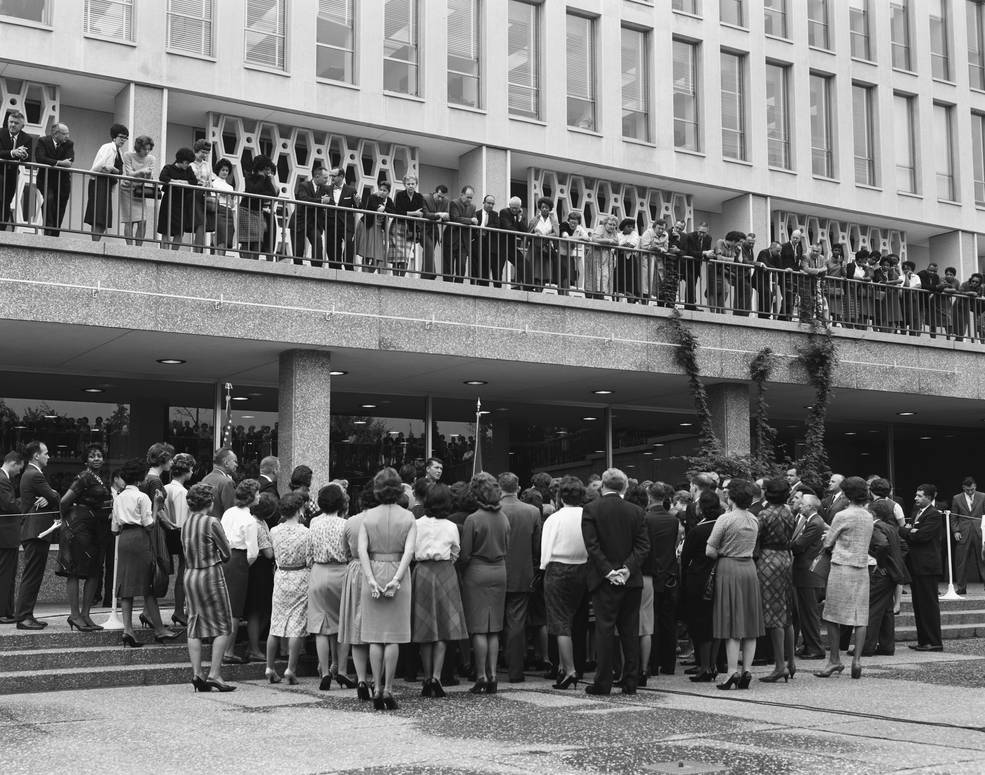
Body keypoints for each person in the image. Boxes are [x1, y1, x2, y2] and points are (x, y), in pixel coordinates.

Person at [581, 467, 650, 696]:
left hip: (604, 580)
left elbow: (592, 546)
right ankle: (631, 680)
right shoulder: (636, 511)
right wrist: (627, 569)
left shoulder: (591, 509)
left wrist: (609, 571)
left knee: (605, 629)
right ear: (625, 486)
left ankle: (603, 681)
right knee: (629, 630)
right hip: (631, 580)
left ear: (602, 484)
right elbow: (642, 546)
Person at [358, 467, 417, 710]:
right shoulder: (408, 517)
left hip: (373, 567)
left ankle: (376, 685)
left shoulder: (367, 516)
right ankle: (388, 689)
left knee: (374, 636)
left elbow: (362, 550)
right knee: (393, 636)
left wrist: (371, 578)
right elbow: (409, 551)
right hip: (397, 572)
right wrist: (397, 578)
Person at [112, 458, 178, 647]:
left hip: (124, 539)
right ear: (141, 479)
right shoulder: (143, 497)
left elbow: (114, 529)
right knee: (148, 586)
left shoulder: (118, 497)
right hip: (141, 538)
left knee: (126, 587)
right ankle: (159, 629)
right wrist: (156, 505)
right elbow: (150, 525)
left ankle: (128, 630)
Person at [705, 479, 763, 690]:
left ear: (731, 498)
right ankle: (747, 670)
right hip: (749, 569)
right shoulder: (754, 520)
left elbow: (710, 550)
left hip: (728, 568)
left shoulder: (725, 519)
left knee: (731, 623)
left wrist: (722, 551)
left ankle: (731, 673)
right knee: (750, 622)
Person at [412, 482, 468, 698]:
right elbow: (456, 551)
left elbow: (411, 549)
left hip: (423, 572)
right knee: (444, 628)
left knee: (425, 628)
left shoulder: (416, 524)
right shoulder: (451, 526)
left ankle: (427, 677)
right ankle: (436, 676)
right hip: (445, 572)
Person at [816, 476, 873, 680]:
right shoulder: (868, 516)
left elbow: (828, 542)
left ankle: (834, 659)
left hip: (841, 567)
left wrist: (826, 536)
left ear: (847, 494)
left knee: (832, 614)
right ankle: (857, 660)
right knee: (860, 615)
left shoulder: (842, 515)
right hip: (861, 567)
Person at [459, 472, 511, 695]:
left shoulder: (473, 519)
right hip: (499, 570)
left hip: (477, 572)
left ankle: (480, 675)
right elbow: (507, 546)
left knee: (479, 628)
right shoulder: (504, 518)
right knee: (495, 628)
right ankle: (493, 675)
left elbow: (465, 554)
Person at [181, 483, 236, 692]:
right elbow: (227, 552)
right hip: (209, 573)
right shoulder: (212, 522)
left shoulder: (187, 523)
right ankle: (215, 674)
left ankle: (197, 674)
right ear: (210, 502)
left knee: (194, 624)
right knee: (223, 624)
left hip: (190, 574)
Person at [539, 476, 588, 690]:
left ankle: (569, 669)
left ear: (560, 497)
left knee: (560, 622)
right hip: (582, 567)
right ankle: (564, 666)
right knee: (574, 618)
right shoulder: (587, 516)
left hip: (558, 568)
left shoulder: (554, 519)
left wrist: (543, 569)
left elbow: (545, 551)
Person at [56, 444, 111, 631]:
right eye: (93, 456)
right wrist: (66, 522)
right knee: (74, 571)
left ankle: (86, 614)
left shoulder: (100, 478)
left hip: (94, 526)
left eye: (100, 455)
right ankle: (75, 615)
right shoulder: (84, 476)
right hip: (78, 525)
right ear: (86, 459)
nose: (97, 458)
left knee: (94, 571)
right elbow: (64, 501)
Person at [309, 483, 355, 690]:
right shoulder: (345, 525)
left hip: (319, 571)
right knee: (343, 623)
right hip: (340, 572)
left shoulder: (314, 523)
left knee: (320, 626)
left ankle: (325, 671)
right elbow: (350, 552)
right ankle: (343, 670)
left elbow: (309, 551)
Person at [266, 492, 313, 684]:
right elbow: (310, 558)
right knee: (296, 625)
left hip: (281, 575)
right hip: (300, 576)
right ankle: (290, 669)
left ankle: (269, 667)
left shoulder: (274, 531)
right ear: (299, 509)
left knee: (275, 623)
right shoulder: (306, 532)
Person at [498, 471, 541, 684]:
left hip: (495, 573)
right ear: (518, 488)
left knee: (491, 623)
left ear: (499, 488)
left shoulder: (492, 511)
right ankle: (515, 671)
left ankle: (488, 669)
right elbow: (537, 548)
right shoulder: (532, 512)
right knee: (516, 623)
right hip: (522, 573)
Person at [13, 440, 60, 629]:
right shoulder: (34, 475)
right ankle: (24, 617)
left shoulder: (32, 474)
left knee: (34, 575)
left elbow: (50, 497)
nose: (49, 456)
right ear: (36, 455)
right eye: (46, 453)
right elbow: (55, 497)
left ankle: (27, 615)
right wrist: (51, 494)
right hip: (36, 532)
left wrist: (49, 496)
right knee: (32, 575)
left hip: (36, 531)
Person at [756, 479, 797, 683]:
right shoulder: (789, 513)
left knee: (773, 613)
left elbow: (757, 539)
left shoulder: (764, 514)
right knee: (786, 610)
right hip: (786, 558)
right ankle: (791, 661)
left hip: (768, 559)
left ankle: (779, 665)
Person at [861, 482, 909, 657]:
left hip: (880, 573)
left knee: (872, 609)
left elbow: (881, 545)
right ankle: (887, 646)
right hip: (892, 573)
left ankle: (867, 646)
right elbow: (903, 547)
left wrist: (881, 563)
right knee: (887, 609)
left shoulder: (876, 526)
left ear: (873, 513)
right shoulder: (890, 527)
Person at [681, 490, 723, 682]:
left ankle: (705, 666)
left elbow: (685, 557)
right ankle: (713, 664)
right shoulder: (723, 526)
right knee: (715, 623)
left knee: (701, 623)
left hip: (699, 578)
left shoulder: (698, 530)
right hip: (720, 575)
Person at [640, 481, 680, 682]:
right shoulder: (673, 520)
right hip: (669, 572)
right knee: (668, 621)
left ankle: (652, 663)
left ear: (649, 497)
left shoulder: (646, 518)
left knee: (651, 620)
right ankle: (669, 663)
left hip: (652, 572)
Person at [339, 487, 375, 700]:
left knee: (356, 627)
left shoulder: (350, 521)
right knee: (374, 626)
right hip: (374, 567)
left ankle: (360, 678)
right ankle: (374, 678)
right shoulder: (379, 520)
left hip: (353, 570)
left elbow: (345, 550)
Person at [220, 478, 260, 664]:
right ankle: (228, 649)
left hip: (223, 557)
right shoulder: (250, 520)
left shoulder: (229, 512)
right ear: (251, 497)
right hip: (239, 560)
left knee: (225, 605)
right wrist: (245, 565)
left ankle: (223, 647)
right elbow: (253, 553)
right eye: (257, 493)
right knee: (235, 609)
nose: (259, 496)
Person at [902, 485, 944, 652]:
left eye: (919, 496)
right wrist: (910, 531)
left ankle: (934, 641)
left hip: (927, 567)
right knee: (919, 605)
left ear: (928, 497)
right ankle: (923, 640)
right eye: (916, 495)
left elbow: (921, 536)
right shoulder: (916, 512)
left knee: (928, 605)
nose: (916, 498)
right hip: (916, 565)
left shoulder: (933, 514)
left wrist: (906, 531)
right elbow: (912, 532)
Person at [790, 491, 826, 660]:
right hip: (803, 573)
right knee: (804, 612)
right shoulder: (810, 521)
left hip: (809, 573)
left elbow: (799, 545)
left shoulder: (816, 523)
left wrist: (789, 544)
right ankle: (808, 645)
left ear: (811, 506)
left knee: (810, 613)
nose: (800, 505)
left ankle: (816, 648)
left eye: (803, 503)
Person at [164, 452, 196, 627]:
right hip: (179, 532)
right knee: (183, 573)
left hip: (166, 532)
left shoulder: (166, 487)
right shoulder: (183, 492)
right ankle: (178, 610)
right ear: (188, 471)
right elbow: (183, 521)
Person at [245, 491, 276, 662]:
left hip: (260, 569)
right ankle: (254, 648)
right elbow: (269, 553)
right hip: (259, 569)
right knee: (257, 611)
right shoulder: (257, 525)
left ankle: (253, 645)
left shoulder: (259, 521)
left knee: (263, 610)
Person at [83, 123, 128, 241]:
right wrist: (112, 169)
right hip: (99, 182)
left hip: (107, 184)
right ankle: (95, 243)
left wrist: (113, 170)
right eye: (121, 137)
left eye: (125, 138)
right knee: (98, 215)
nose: (123, 140)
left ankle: (96, 242)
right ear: (114, 136)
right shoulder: (108, 147)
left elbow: (118, 171)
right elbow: (99, 166)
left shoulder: (119, 152)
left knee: (104, 217)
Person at [35, 122, 74, 236]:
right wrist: (59, 162)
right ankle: (48, 231)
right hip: (46, 180)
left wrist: (53, 162)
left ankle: (55, 234)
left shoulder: (69, 144)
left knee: (60, 209)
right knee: (49, 201)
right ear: (55, 134)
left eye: (68, 133)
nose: (67, 136)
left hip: (63, 182)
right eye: (64, 134)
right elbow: (40, 158)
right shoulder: (43, 141)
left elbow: (70, 160)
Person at [949, 477, 985, 595]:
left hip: (980, 532)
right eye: (968, 490)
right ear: (963, 488)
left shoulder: (982, 496)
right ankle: (961, 587)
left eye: (972, 489)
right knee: (961, 561)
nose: (970, 492)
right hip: (963, 533)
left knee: (983, 559)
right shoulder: (956, 498)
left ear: (975, 486)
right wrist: (956, 531)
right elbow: (953, 517)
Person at [0, 451, 25, 623]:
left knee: (8, 575)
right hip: (5, 535)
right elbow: (10, 505)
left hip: (7, 535)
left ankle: (7, 611)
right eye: (20, 468)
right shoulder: (3, 480)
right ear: (14, 463)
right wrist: (27, 500)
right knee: (5, 575)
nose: (19, 472)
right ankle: (2, 612)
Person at [157, 147, 198, 250]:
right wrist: (176, 182)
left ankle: (174, 254)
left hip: (183, 203)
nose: (188, 165)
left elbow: (194, 182)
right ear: (183, 161)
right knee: (165, 230)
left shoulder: (188, 170)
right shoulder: (168, 168)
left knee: (179, 231)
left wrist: (180, 182)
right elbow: (163, 177)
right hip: (168, 202)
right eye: (187, 163)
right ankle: (164, 254)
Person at [238, 155, 278, 260]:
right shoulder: (249, 176)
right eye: (265, 168)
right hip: (246, 211)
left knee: (258, 241)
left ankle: (254, 263)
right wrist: (260, 177)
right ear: (260, 168)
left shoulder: (266, 179)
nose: (267, 171)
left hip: (258, 212)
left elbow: (272, 194)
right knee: (247, 241)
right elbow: (253, 191)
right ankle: (244, 263)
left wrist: (267, 180)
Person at [0, 110, 34, 230]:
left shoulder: (27, 138)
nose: (12, 125)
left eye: (16, 123)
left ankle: (2, 230)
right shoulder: (0, 132)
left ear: (22, 126)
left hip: (12, 174)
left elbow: (29, 158)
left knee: (6, 201)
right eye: (10, 122)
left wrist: (23, 155)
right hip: (0, 172)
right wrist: (12, 153)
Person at [120, 135, 157, 246]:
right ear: (138, 147)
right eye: (144, 149)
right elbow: (129, 173)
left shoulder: (151, 159)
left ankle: (138, 248)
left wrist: (148, 174)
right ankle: (130, 248)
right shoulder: (128, 155)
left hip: (140, 191)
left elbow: (149, 177)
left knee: (143, 221)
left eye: (149, 149)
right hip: (127, 189)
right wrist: (142, 171)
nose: (146, 151)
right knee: (129, 220)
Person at [356, 180, 395, 273]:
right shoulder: (373, 197)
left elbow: (394, 211)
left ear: (388, 192)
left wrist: (384, 208)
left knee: (377, 256)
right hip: (368, 226)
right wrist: (380, 209)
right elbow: (373, 206)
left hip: (378, 229)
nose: (382, 192)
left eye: (384, 190)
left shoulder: (389, 201)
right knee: (366, 253)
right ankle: (365, 275)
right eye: (380, 189)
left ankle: (369, 274)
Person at [324, 166, 359, 269]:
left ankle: (348, 267)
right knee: (333, 247)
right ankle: (335, 268)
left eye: (334, 176)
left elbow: (358, 206)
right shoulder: (326, 188)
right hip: (331, 222)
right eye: (331, 176)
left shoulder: (351, 190)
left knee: (349, 243)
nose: (332, 178)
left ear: (341, 176)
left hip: (346, 223)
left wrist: (357, 203)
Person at [446, 185, 477, 282]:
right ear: (461, 195)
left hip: (464, 242)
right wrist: (470, 220)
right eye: (468, 197)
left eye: (471, 197)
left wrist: (473, 221)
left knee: (462, 267)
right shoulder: (454, 203)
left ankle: (458, 289)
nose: (469, 199)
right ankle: (447, 289)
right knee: (448, 267)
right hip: (451, 239)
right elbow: (455, 218)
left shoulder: (473, 207)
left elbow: (475, 221)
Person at [527, 197, 559, 289]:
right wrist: (535, 233)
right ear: (540, 208)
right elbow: (529, 232)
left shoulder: (553, 220)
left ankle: (540, 290)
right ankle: (530, 288)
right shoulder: (534, 219)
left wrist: (546, 236)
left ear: (550, 209)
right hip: (535, 247)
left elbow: (556, 234)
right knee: (532, 269)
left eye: (547, 207)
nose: (544, 209)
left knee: (544, 272)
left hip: (546, 248)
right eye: (543, 207)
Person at [201, 447, 237, 518]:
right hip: (220, 527)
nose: (237, 465)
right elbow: (230, 513)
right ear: (226, 463)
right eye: (235, 461)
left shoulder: (205, 479)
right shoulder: (227, 482)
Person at [210, 158, 237, 255]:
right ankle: (218, 256)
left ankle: (223, 256)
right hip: (219, 209)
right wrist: (221, 194)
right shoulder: (213, 183)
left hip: (228, 211)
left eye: (227, 170)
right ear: (218, 170)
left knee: (228, 236)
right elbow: (212, 197)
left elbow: (232, 204)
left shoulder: (230, 187)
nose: (225, 172)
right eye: (223, 170)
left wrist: (230, 198)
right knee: (221, 235)